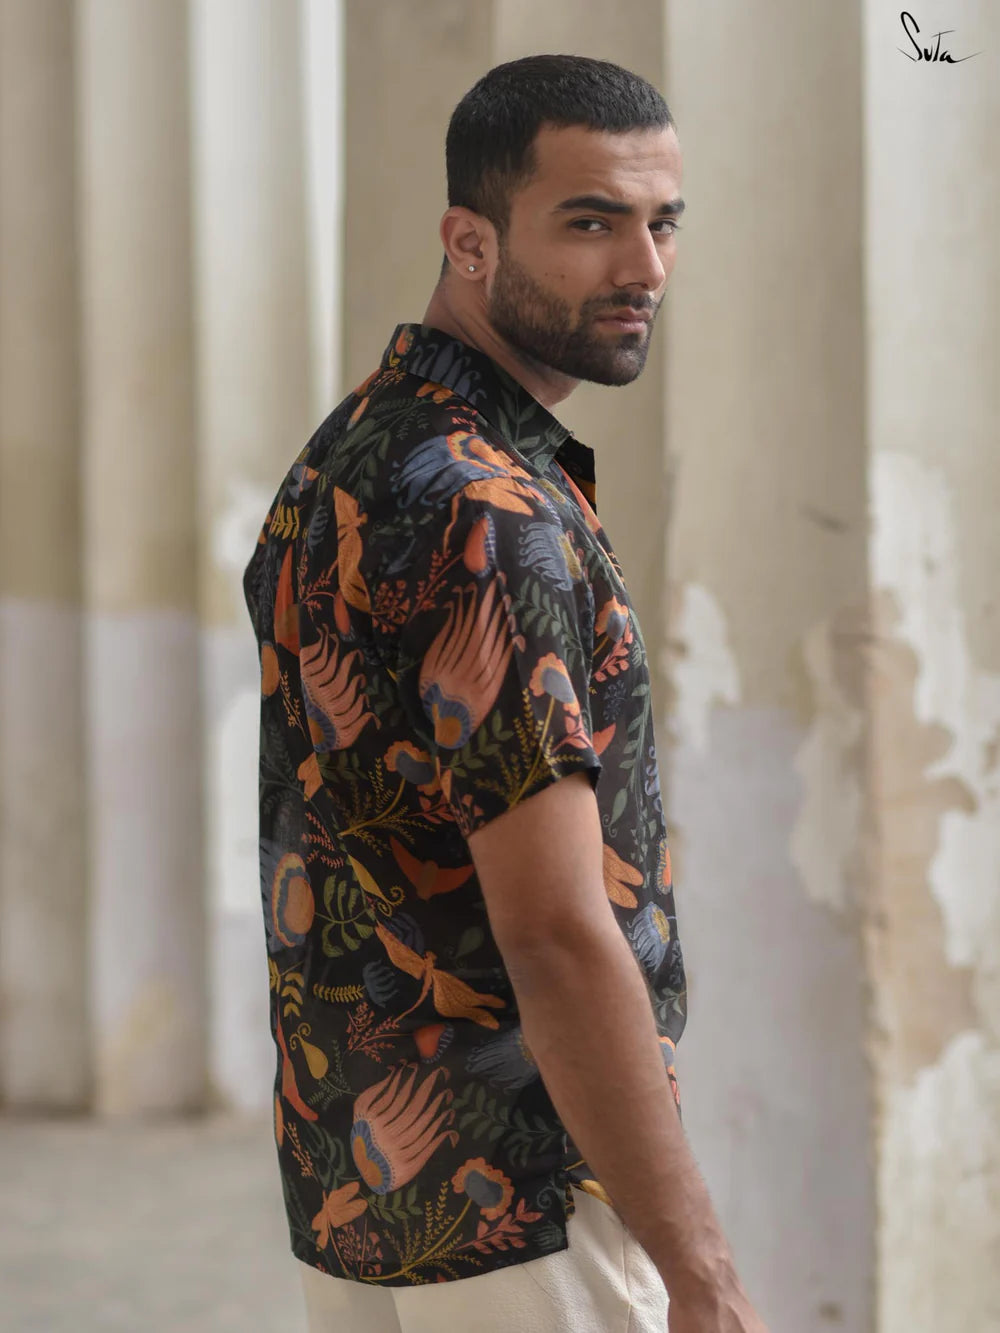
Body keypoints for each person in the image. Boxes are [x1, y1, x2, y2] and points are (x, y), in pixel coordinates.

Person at [244, 53, 769, 1333]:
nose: (643, 267)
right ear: (468, 241)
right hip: (520, 1204)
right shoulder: (488, 510)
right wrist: (699, 1271)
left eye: (662, 222)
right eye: (590, 223)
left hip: (361, 1188)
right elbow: (555, 929)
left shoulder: (350, 452)